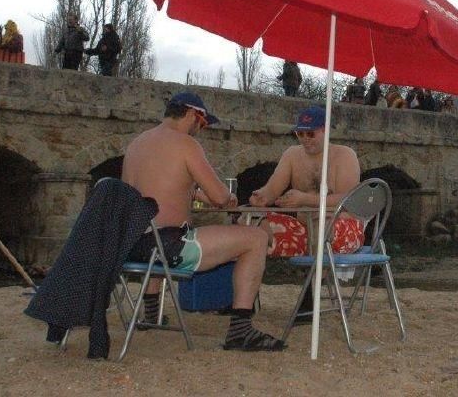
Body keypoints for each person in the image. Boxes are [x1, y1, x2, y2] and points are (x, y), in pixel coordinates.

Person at [121, 92, 284, 351]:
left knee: (159, 236)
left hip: (134, 246)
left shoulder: (137, 145)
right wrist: (229, 197)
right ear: (191, 114)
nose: (201, 129)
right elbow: (220, 197)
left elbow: (143, 196)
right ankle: (241, 331)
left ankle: (151, 316)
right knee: (256, 238)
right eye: (203, 122)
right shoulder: (186, 144)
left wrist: (193, 193)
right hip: (169, 247)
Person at [250, 106, 362, 319]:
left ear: (325, 131)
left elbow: (349, 200)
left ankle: (310, 297)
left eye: (310, 133)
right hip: (305, 228)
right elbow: (272, 190)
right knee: (254, 229)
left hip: (342, 228)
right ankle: (244, 301)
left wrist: (304, 199)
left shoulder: (345, 155)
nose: (305, 139)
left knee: (321, 227)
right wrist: (261, 197)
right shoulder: (292, 155)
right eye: (300, 133)